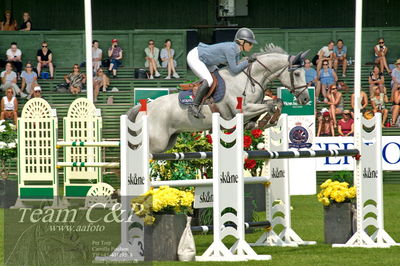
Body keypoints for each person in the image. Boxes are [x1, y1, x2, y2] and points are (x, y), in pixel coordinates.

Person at [186, 27, 257, 118]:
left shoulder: (237, 51)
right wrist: (248, 61)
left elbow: (235, 68)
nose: (252, 46)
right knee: (209, 80)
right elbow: (235, 69)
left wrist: (247, 61)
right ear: (242, 42)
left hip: (207, 61)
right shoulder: (231, 49)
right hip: (195, 57)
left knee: (217, 74)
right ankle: (194, 106)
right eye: (250, 43)